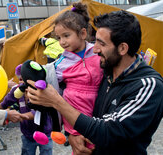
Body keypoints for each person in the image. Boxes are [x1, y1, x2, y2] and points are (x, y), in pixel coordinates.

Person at [26, 10, 163, 155]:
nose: (95, 49)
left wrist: (56, 101)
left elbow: (107, 131)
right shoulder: (105, 72)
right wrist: (72, 135)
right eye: (95, 41)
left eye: (101, 44)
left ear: (122, 48)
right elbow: (79, 105)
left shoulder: (147, 85)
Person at [46, 2, 103, 150]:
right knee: (81, 148)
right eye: (58, 38)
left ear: (83, 33)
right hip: (74, 113)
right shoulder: (61, 62)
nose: (62, 42)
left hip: (99, 110)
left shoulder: (98, 52)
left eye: (66, 36)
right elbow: (48, 78)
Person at [0, 73, 53, 155]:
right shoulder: (17, 90)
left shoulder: (41, 91)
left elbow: (35, 113)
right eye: (20, 79)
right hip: (27, 135)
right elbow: (4, 104)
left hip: (45, 133)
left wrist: (15, 116)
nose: (21, 82)